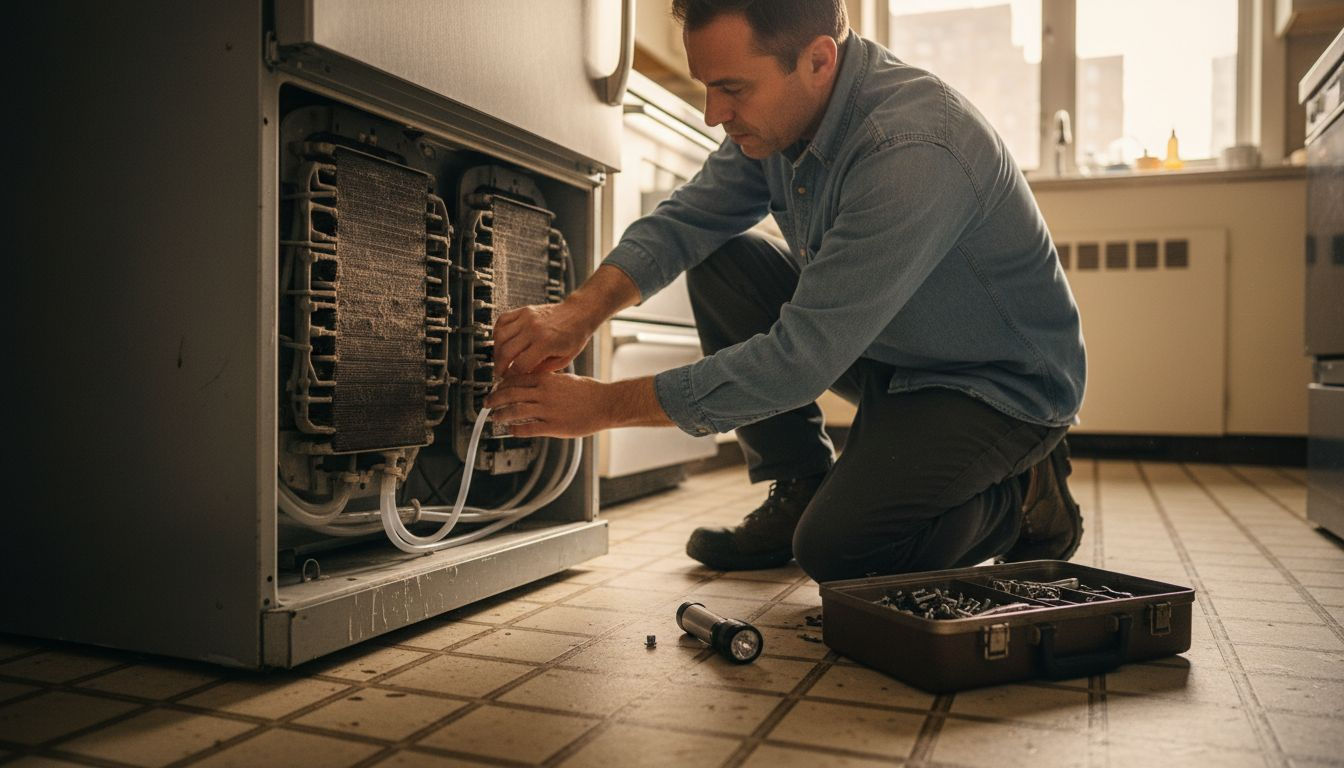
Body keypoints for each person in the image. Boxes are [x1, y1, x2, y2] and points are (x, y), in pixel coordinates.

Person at [484, 0, 1086, 582]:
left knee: (841, 550)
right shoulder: (782, 119)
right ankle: (800, 482)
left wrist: (601, 407)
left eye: (733, 89)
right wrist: (578, 312)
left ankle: (1026, 492)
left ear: (819, 61)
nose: (712, 114)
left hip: (993, 383)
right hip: (891, 351)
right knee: (725, 256)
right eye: (706, 86)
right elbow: (689, 221)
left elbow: (798, 360)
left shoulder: (911, 150)